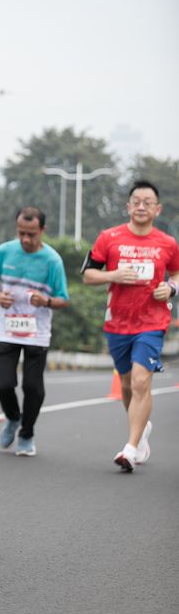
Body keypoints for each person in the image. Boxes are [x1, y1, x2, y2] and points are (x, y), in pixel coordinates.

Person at [82, 179, 179, 471]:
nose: (141, 206)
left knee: (140, 381)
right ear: (128, 206)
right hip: (118, 323)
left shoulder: (168, 243)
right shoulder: (108, 237)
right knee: (126, 384)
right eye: (136, 201)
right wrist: (113, 275)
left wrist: (171, 288)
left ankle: (131, 448)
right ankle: (142, 429)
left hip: (152, 322)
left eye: (147, 202)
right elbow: (88, 275)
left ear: (157, 209)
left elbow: (176, 274)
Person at [0, 207, 69, 456]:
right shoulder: (5, 251)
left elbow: (63, 299)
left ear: (42, 230)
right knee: (2, 385)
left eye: (31, 234)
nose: (25, 239)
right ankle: (13, 417)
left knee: (33, 388)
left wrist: (46, 301)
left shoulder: (52, 260)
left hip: (37, 332)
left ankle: (26, 434)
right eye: (21, 233)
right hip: (6, 329)